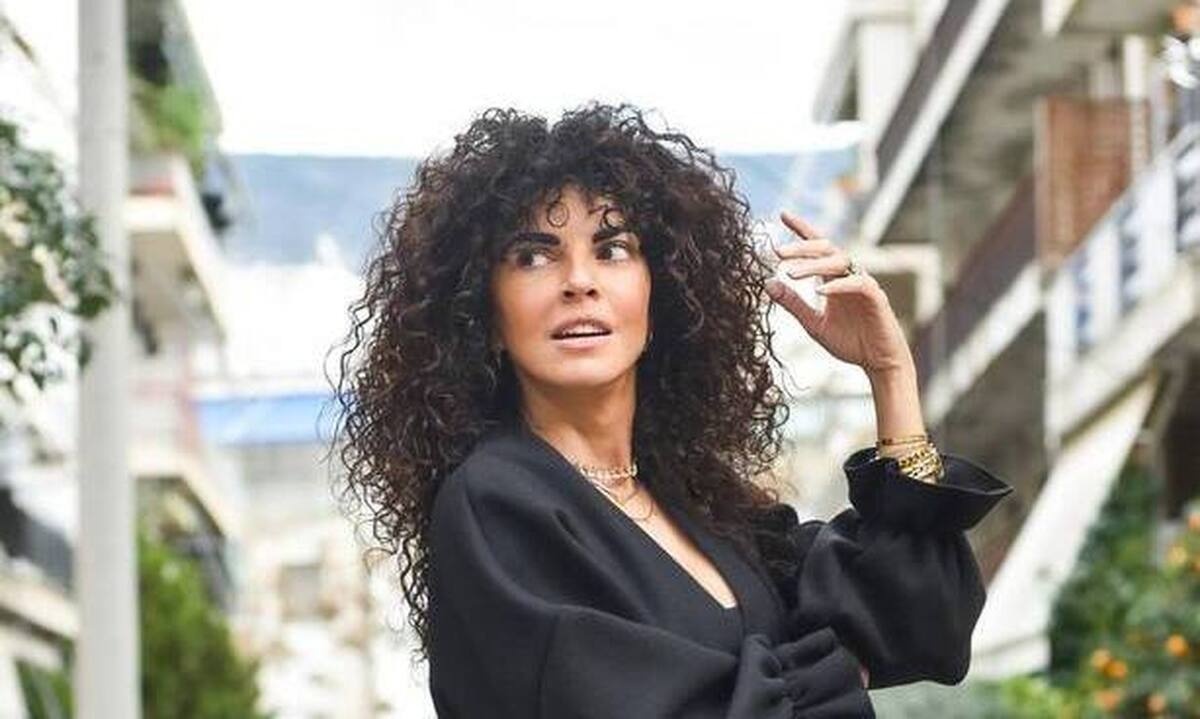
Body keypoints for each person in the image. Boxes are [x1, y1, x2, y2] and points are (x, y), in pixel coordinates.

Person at [330, 102, 1013, 718]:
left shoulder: (703, 504)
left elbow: (917, 624)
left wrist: (890, 375)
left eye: (613, 248)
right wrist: (835, 669)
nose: (579, 281)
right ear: (482, 312)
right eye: (533, 255)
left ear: (663, 297)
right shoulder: (494, 501)